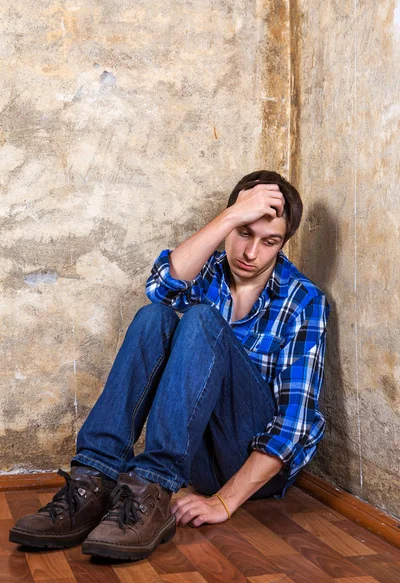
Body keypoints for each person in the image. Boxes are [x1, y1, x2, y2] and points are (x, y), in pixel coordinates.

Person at [9, 170, 330, 561]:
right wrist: (230, 216)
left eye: (269, 242)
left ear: (283, 244)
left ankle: (152, 489)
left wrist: (224, 503)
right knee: (154, 317)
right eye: (244, 232)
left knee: (200, 321)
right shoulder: (208, 270)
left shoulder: (303, 300)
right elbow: (160, 287)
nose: (251, 253)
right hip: (195, 458)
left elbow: (295, 426)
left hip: (248, 468)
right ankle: (93, 484)